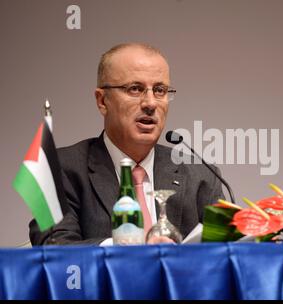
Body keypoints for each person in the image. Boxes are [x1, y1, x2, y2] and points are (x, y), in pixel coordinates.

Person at [29, 43, 224, 245]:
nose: (150, 103)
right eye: (135, 89)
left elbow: (228, 251)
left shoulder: (201, 175)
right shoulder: (59, 170)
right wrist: (128, 247)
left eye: (159, 90)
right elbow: (54, 247)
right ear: (102, 101)